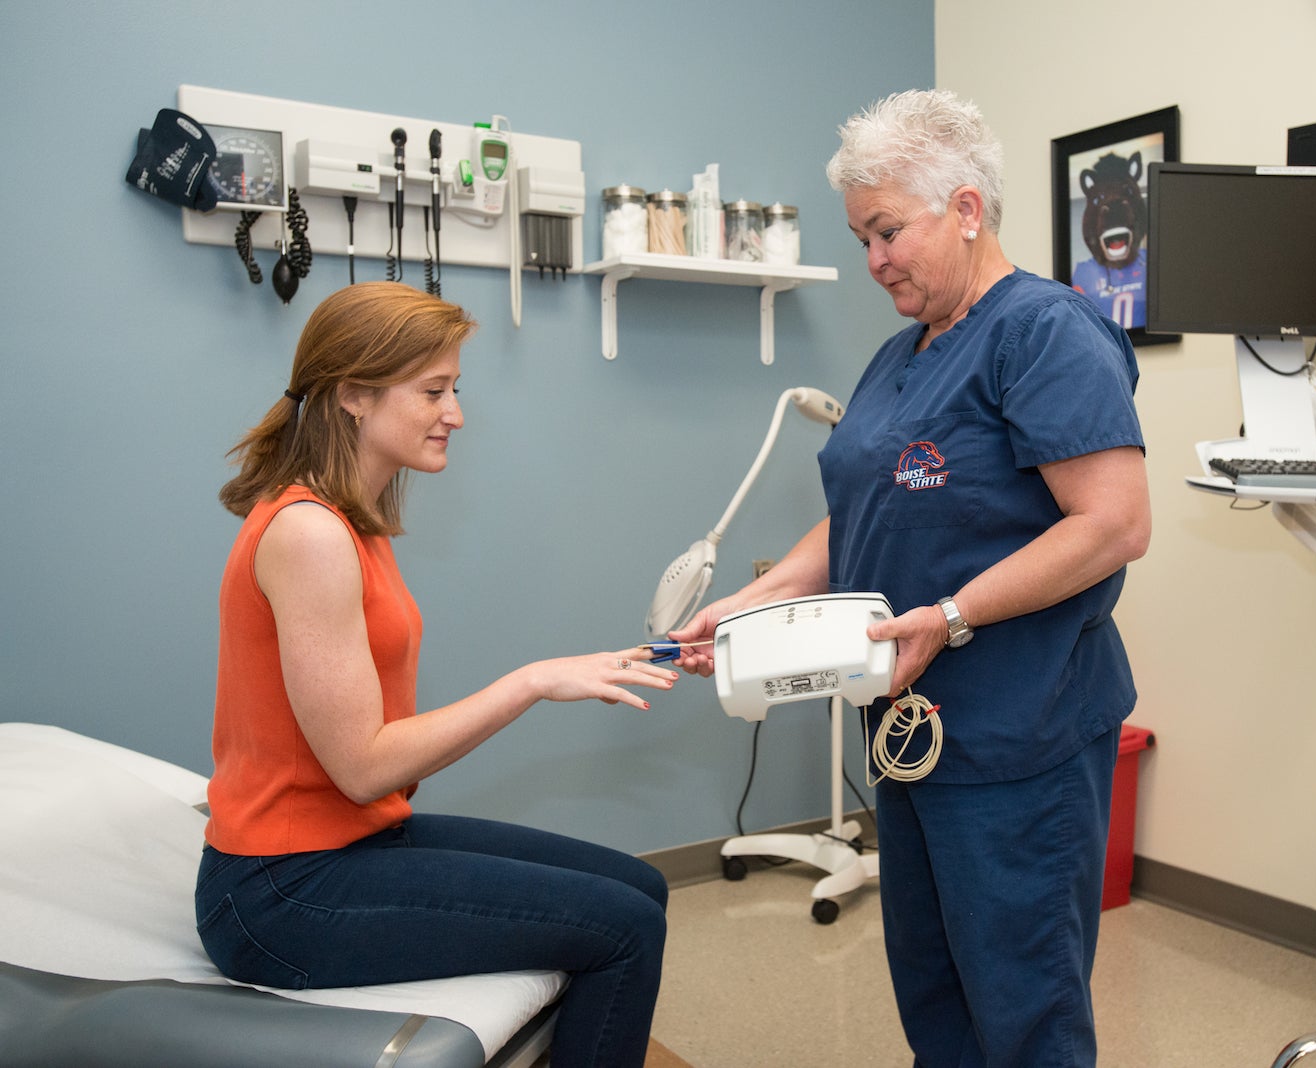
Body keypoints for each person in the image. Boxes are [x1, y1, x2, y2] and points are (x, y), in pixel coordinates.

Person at [671, 90, 1150, 1066]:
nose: (874, 260)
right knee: (932, 989)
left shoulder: (1043, 331)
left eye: (888, 231)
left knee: (1022, 1004)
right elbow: (863, 509)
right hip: (908, 726)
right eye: (862, 238)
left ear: (966, 208)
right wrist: (755, 601)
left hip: (1019, 727)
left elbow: (1113, 525)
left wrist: (952, 614)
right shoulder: (901, 355)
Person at [195, 282, 674, 1068]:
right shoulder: (310, 533)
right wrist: (528, 683)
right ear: (352, 393)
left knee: (639, 890)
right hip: (278, 893)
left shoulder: (351, 517)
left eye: (455, 388)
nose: (455, 412)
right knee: (624, 928)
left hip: (353, 842)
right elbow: (362, 767)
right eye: (433, 391)